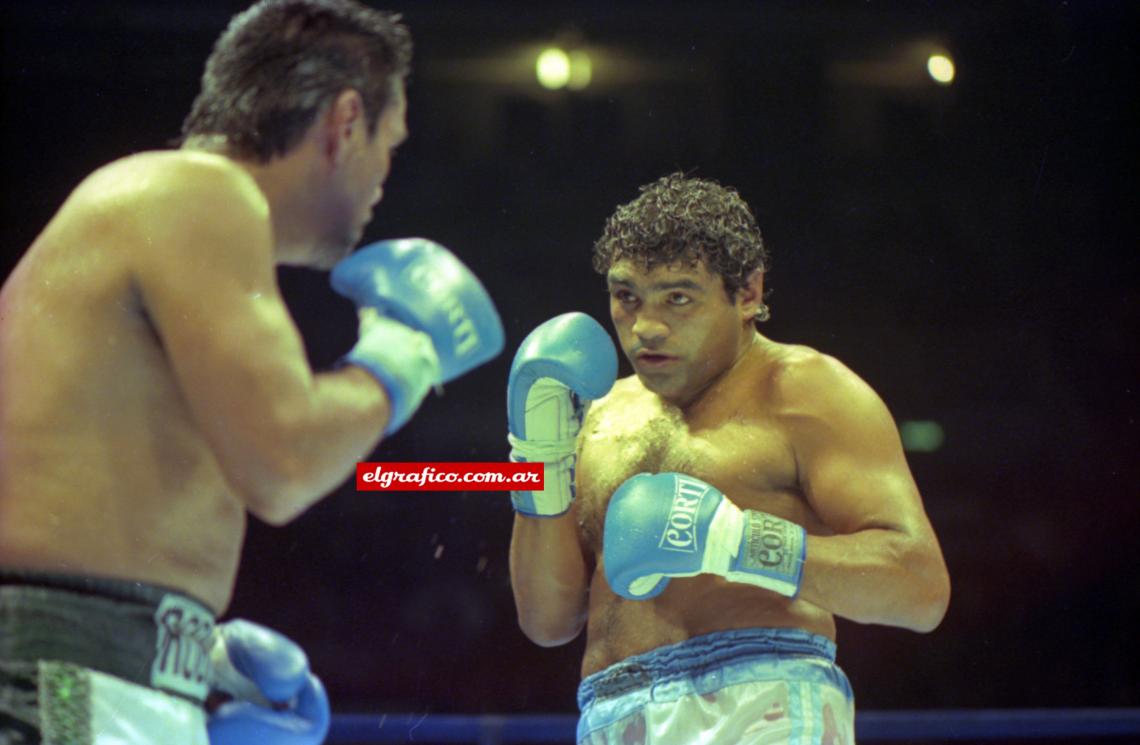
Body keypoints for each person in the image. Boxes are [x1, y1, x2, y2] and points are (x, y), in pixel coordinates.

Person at [0, 1, 502, 742]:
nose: (383, 182)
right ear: (345, 122)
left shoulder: (159, 212)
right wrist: (405, 356)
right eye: (388, 149)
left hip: (93, 668)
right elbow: (284, 460)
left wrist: (190, 657)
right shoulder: (196, 193)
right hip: (67, 676)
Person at [507, 173, 950, 744]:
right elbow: (546, 623)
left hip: (763, 699)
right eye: (626, 297)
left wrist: (735, 543)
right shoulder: (597, 415)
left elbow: (920, 588)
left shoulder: (807, 392)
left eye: (679, 297)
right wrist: (537, 455)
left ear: (748, 294)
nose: (645, 326)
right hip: (613, 714)